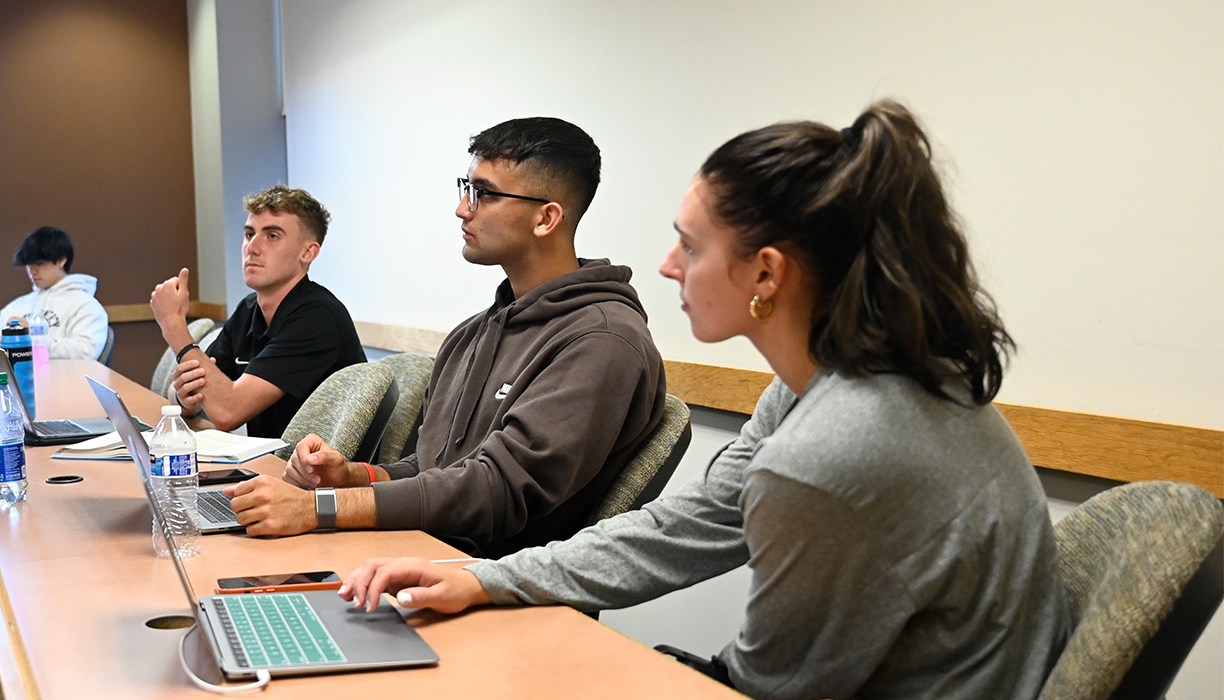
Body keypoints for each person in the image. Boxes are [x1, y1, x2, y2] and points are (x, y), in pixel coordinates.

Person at [337, 101, 1070, 699]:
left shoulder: (833, 450)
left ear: (767, 274)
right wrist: (482, 580)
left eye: (689, 245)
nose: (665, 265)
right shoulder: (838, 380)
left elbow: (765, 687)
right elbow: (688, 524)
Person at [226, 118, 667, 558]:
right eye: (466, 188)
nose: (463, 209)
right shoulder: (472, 334)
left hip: (495, 591)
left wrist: (319, 507)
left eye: (485, 194)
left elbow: (496, 492)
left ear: (546, 218)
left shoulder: (602, 341)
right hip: (417, 557)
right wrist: (355, 477)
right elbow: (431, 468)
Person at [149, 184, 364, 438]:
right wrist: (185, 398)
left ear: (308, 252)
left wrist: (173, 325)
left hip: (313, 472)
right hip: (269, 462)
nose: (252, 247)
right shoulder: (249, 309)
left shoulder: (317, 317)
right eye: (250, 234)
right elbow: (196, 389)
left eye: (272, 236)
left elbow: (227, 411)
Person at [0, 226, 110, 360]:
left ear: (61, 261)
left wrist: (31, 339)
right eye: (29, 265)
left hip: (68, 379)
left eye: (40, 263)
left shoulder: (86, 306)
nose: (32, 271)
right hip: (19, 378)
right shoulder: (15, 307)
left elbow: (86, 352)